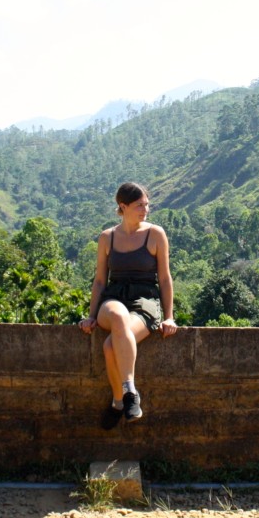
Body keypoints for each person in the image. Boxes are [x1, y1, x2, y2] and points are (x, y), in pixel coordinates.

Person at [79, 182, 178, 428]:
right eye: (139, 205)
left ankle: (118, 400)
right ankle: (131, 391)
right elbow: (100, 280)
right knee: (119, 317)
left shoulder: (155, 234)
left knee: (112, 345)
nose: (145, 210)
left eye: (146, 204)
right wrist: (91, 316)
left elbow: (164, 278)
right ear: (123, 207)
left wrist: (169, 316)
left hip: (144, 300)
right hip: (112, 299)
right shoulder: (107, 237)